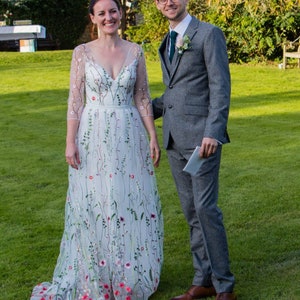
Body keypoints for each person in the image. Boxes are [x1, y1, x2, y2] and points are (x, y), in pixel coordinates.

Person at [30, 0, 163, 299]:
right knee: (94, 203)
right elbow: (75, 101)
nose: (109, 17)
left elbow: (142, 97)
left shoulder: (136, 51)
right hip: (93, 136)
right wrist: (70, 141)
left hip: (129, 136)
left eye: (113, 11)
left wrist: (152, 136)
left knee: (127, 202)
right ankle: (96, 271)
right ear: (93, 18)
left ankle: (129, 271)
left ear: (121, 14)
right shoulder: (82, 53)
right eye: (101, 13)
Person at [152, 0, 236, 300]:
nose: (169, 2)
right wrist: (136, 111)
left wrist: (213, 131)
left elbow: (220, 86)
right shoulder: (167, 40)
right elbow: (174, 92)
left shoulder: (208, 34)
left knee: (205, 209)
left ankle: (225, 285)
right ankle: (203, 280)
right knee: (191, 213)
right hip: (174, 139)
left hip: (203, 141)